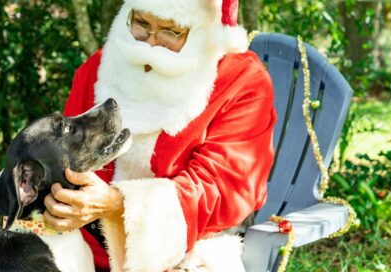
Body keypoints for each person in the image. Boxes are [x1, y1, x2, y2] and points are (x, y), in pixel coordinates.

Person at [42, 0, 276, 271]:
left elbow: (221, 189)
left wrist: (119, 204)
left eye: (170, 31)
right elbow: (66, 152)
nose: (150, 44)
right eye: (141, 23)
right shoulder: (100, 68)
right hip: (86, 239)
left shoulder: (242, 81)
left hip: (190, 244)